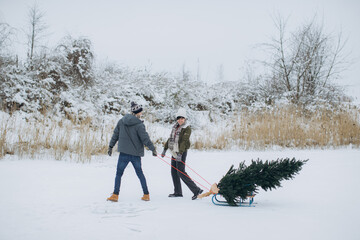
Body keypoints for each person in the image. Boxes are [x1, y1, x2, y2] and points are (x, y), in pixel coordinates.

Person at [107, 102, 157, 202]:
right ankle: (146, 194)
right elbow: (145, 139)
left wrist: (110, 146)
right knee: (140, 174)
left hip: (124, 153)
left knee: (119, 174)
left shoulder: (121, 121)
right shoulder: (139, 125)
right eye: (141, 111)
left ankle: (115, 195)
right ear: (138, 112)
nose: (142, 113)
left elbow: (115, 135)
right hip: (135, 154)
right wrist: (153, 149)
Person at [161, 108, 203, 200]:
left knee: (180, 172)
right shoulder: (175, 127)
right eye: (179, 118)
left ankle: (196, 190)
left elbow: (184, 141)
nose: (180, 120)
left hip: (181, 151)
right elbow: (170, 138)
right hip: (174, 151)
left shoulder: (187, 128)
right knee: (174, 172)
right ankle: (178, 192)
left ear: (185, 119)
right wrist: (165, 149)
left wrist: (180, 154)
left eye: (182, 118)